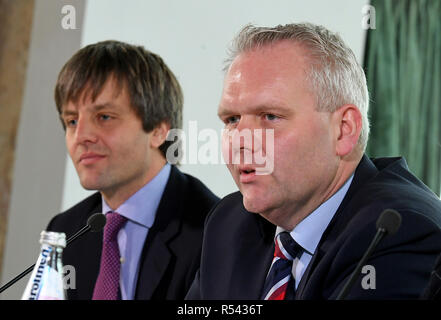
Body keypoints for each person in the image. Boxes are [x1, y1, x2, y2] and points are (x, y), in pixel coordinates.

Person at [186, 23, 441, 300]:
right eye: (232, 120)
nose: (240, 141)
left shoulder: (398, 230)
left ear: (344, 129)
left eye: (270, 116)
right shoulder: (228, 222)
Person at [47, 40, 219, 300]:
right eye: (71, 121)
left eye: (104, 117)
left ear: (159, 130)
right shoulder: (64, 230)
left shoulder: (214, 232)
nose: (80, 136)